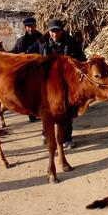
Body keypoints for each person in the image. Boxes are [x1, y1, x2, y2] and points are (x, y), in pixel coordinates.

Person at [30, 19, 86, 148]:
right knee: (47, 108)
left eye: (57, 31)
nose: (55, 34)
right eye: (52, 31)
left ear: (62, 30)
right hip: (48, 81)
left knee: (66, 109)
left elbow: (81, 60)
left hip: (66, 81)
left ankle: (67, 137)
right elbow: (31, 55)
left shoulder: (71, 42)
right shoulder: (42, 42)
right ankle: (46, 133)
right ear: (48, 31)